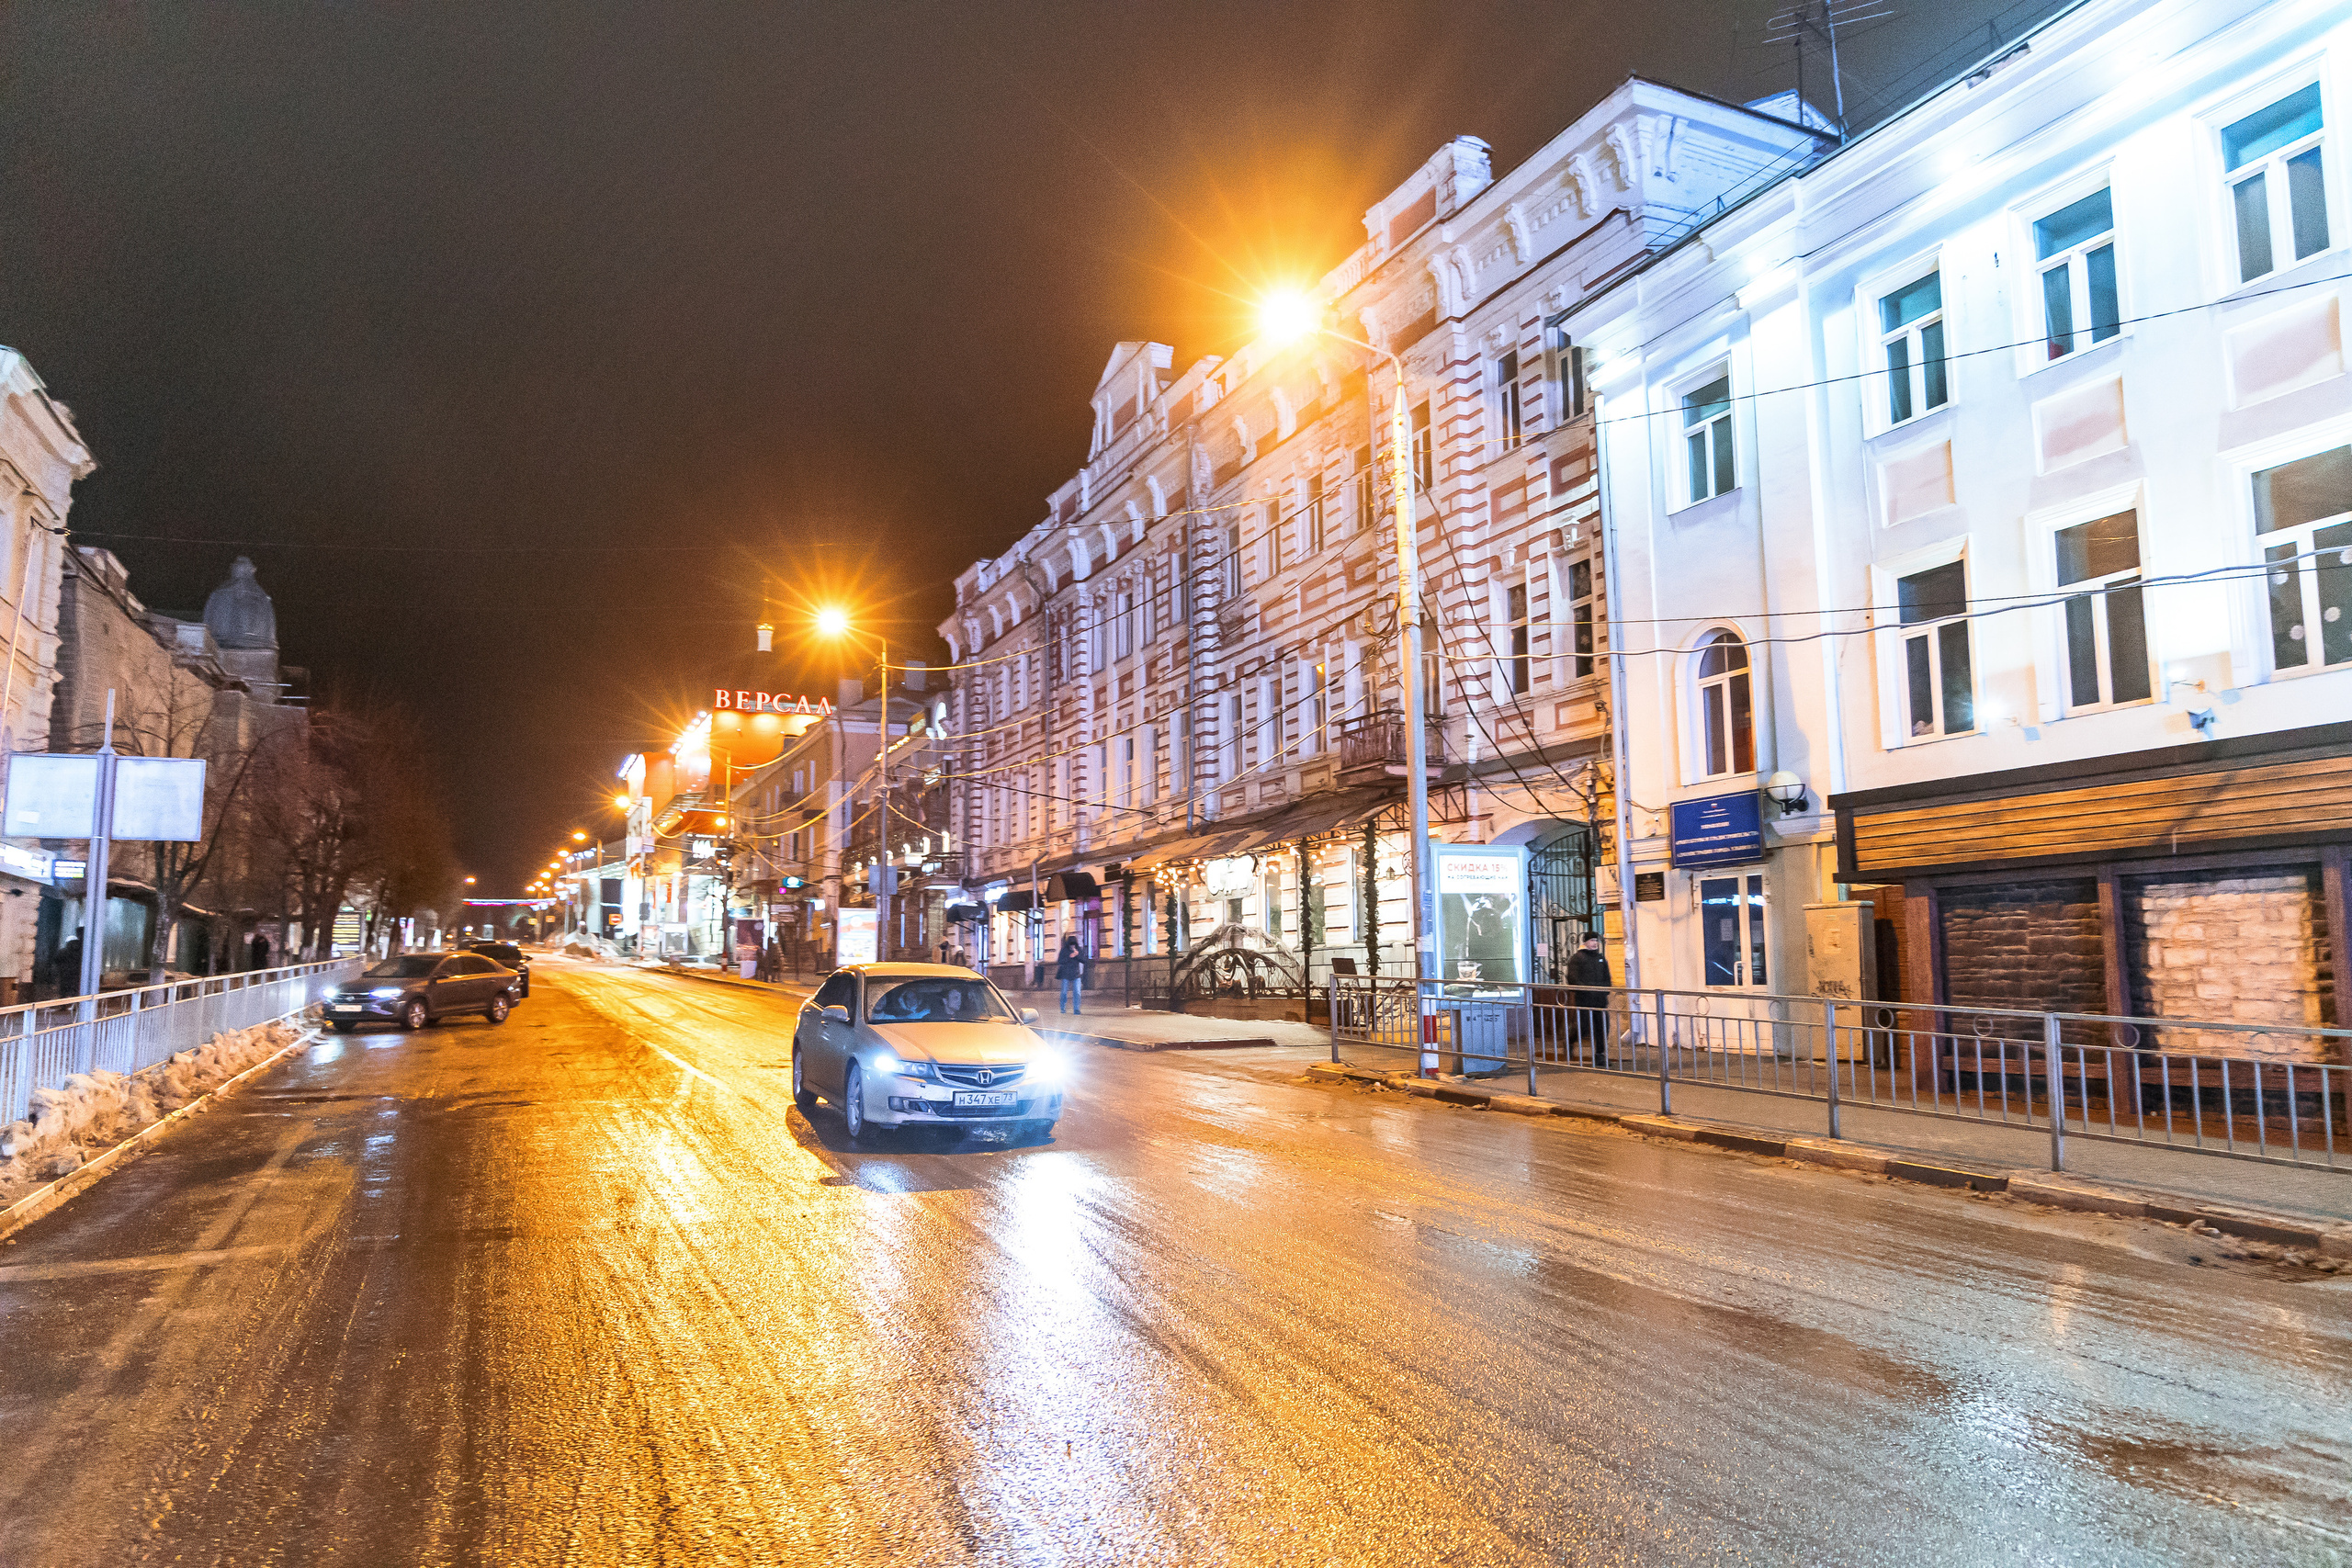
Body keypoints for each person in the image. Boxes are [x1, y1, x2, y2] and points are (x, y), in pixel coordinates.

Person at [1565, 933, 1612, 1066]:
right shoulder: (1577, 958)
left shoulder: (1600, 958)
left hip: (1600, 1000)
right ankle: (1569, 1041)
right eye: (1592, 940)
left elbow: (1607, 977)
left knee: (1602, 1028)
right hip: (1584, 1000)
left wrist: (1605, 990)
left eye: (1596, 940)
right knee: (1583, 1028)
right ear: (1585, 942)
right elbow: (1573, 978)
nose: (1595, 943)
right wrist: (1587, 990)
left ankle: (1600, 1055)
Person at [1054, 934, 1087, 1015]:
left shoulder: (1078, 950)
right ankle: (1063, 1008)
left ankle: (1076, 1009)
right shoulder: (1064, 950)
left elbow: (1084, 960)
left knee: (1077, 992)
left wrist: (1077, 955)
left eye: (1074, 944)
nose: (1072, 946)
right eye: (1071, 944)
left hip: (1076, 974)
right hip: (1066, 974)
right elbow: (1060, 961)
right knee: (1064, 992)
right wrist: (1070, 957)